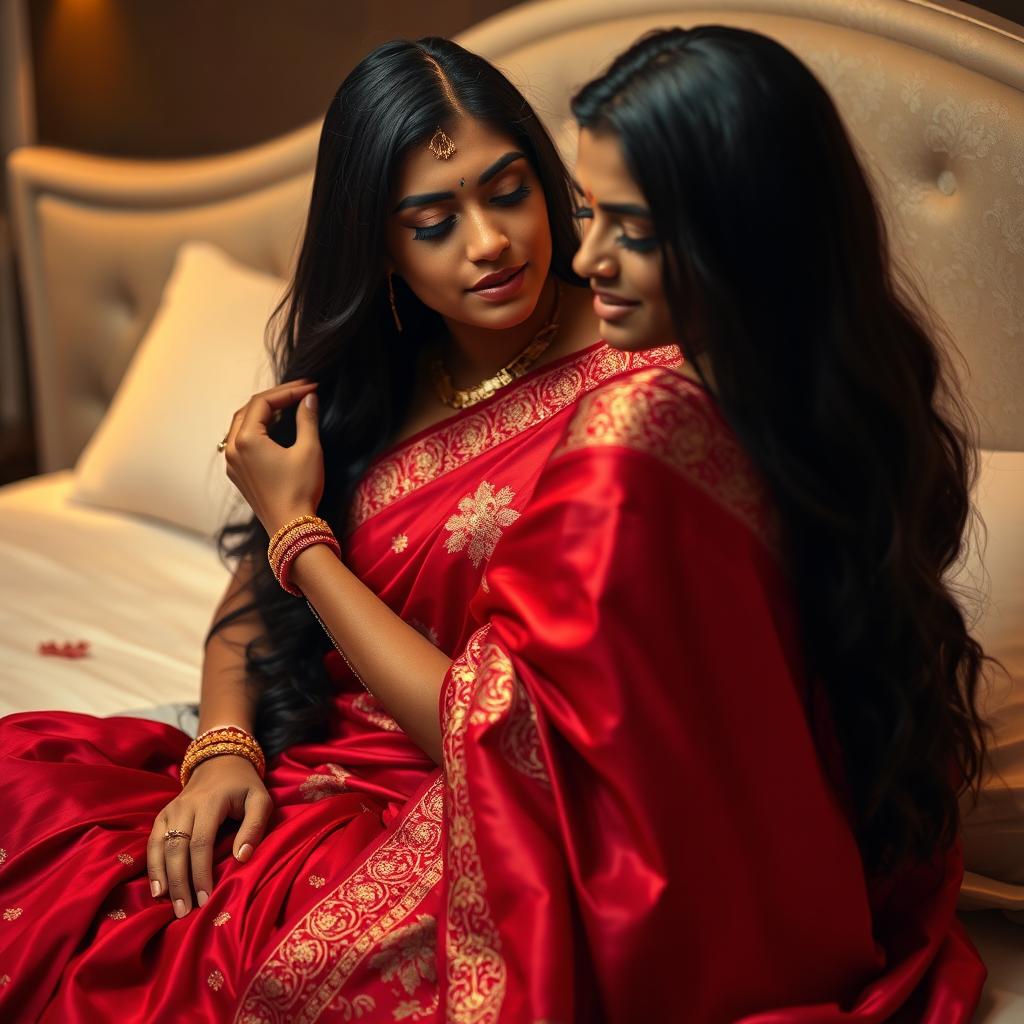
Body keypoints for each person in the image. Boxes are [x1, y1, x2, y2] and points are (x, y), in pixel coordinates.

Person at [0, 37, 677, 1021]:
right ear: (383, 247)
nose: (488, 243)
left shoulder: (634, 382)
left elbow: (512, 734)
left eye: (508, 190)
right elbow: (252, 595)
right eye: (434, 222)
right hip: (318, 762)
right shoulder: (381, 377)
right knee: (39, 814)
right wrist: (224, 746)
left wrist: (300, 538)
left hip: (507, 802)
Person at [428, 26, 990, 1022]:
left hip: (657, 932)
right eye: (588, 212)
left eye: (633, 231)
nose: (587, 257)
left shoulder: (631, 430)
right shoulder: (845, 400)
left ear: (743, 237)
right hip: (830, 896)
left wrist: (300, 539)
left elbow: (502, 718)